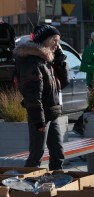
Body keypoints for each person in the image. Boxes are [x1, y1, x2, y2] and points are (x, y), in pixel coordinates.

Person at [14, 24, 69, 170]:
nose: (57, 45)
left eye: (58, 41)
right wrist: (39, 122)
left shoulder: (47, 60)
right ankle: (23, 188)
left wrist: (60, 62)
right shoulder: (32, 62)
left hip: (53, 112)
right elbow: (32, 95)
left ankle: (56, 184)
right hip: (40, 115)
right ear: (44, 40)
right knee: (36, 155)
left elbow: (63, 83)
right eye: (54, 41)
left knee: (58, 154)